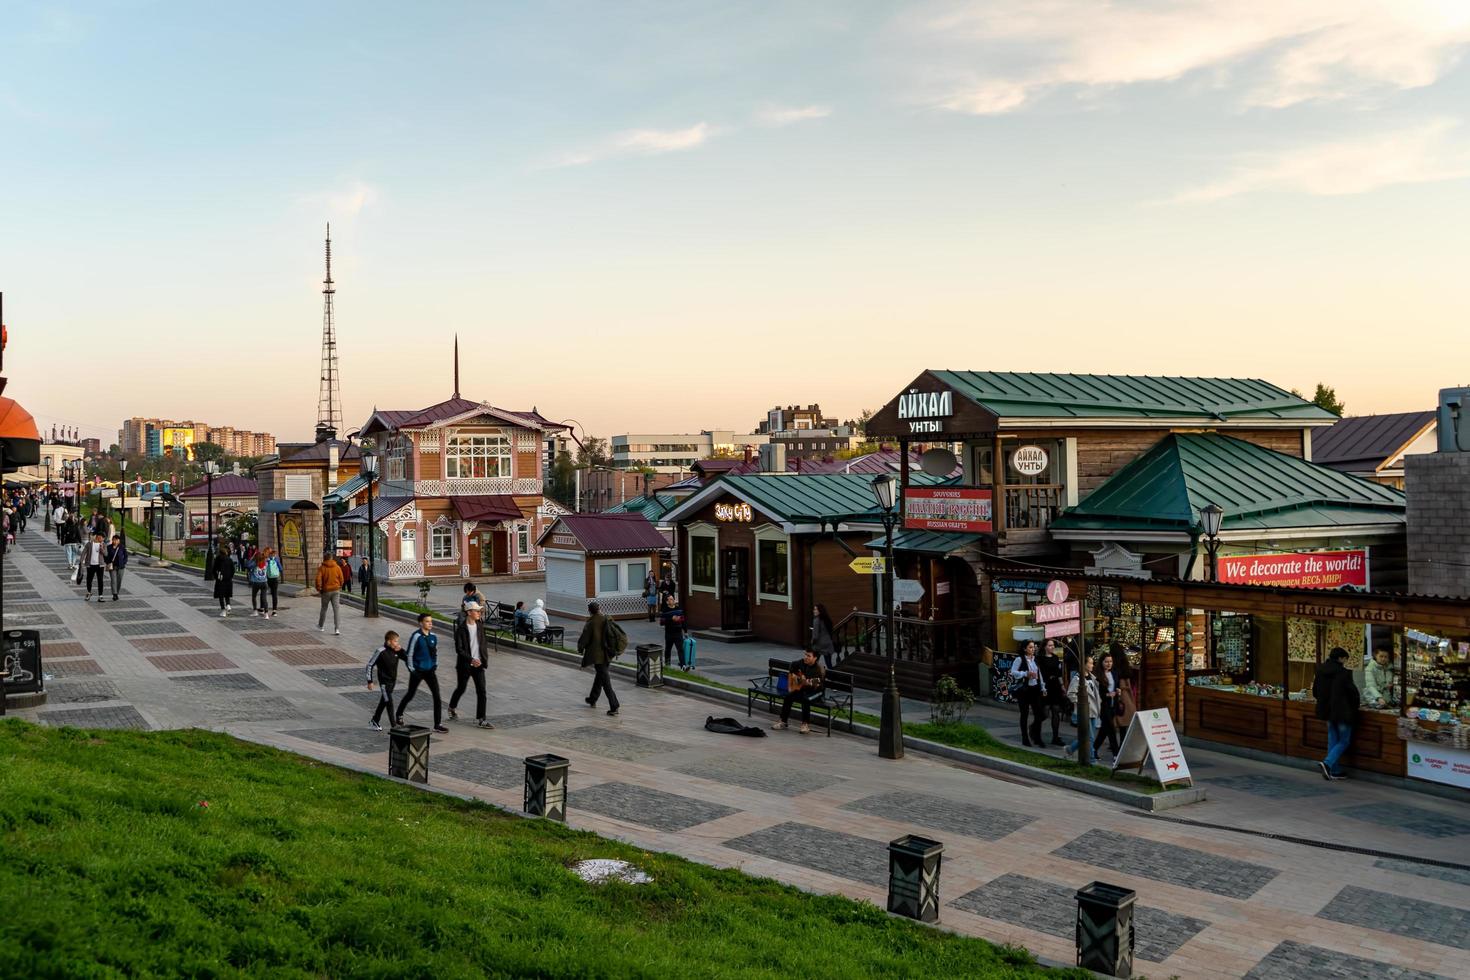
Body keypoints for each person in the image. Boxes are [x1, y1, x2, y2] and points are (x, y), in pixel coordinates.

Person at [1314, 647, 1360, 780]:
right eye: (1345, 659)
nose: (1346, 662)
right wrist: (1354, 707)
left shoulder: (1320, 670)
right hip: (1342, 712)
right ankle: (1328, 764)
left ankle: (1334, 770)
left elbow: (1316, 691)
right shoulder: (1343, 673)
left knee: (1332, 739)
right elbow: (1352, 693)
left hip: (1327, 712)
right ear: (1340, 658)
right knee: (1344, 740)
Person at [396, 613, 447, 733]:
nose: (430, 623)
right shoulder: (416, 636)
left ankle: (437, 724)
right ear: (421, 623)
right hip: (417, 671)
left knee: (437, 696)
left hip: (430, 671)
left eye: (431, 621)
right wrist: (412, 670)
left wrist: (435, 665)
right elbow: (409, 655)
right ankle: (399, 713)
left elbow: (435, 653)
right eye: (427, 621)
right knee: (411, 694)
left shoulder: (433, 636)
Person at [449, 601, 494, 729]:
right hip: (465, 665)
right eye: (476, 611)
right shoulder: (461, 629)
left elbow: (483, 643)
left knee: (482, 691)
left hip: (479, 664)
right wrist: (471, 659)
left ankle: (481, 719)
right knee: (461, 688)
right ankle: (452, 707)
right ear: (469, 612)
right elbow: (459, 649)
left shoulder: (480, 625)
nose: (479, 613)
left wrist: (483, 659)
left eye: (479, 611)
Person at [577, 601, 620, 716]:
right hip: (608, 654)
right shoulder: (606, 618)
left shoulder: (591, 622)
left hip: (598, 656)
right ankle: (592, 698)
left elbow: (584, 639)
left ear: (589, 611)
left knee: (606, 682)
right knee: (600, 677)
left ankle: (614, 706)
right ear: (599, 608)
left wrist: (580, 648)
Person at [772, 648, 825, 734]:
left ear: (815, 658)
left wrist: (806, 682)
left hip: (816, 692)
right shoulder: (800, 662)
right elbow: (791, 671)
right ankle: (783, 721)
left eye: (809, 656)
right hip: (802, 689)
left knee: (806, 699)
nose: (806, 657)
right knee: (788, 697)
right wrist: (790, 686)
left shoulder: (819, 669)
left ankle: (805, 725)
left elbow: (818, 684)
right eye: (805, 655)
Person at [365, 630, 405, 732]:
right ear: (388, 641)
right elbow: (370, 665)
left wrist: (401, 650)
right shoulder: (380, 651)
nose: (397, 643)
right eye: (395, 641)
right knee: (389, 702)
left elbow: (407, 658)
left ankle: (374, 721)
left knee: (384, 701)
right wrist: (370, 681)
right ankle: (393, 725)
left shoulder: (396, 650)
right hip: (384, 683)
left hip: (393, 682)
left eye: (397, 641)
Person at [1008, 640, 1045, 747]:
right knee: (1024, 714)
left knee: (1040, 714)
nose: (1033, 649)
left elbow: (1039, 673)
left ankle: (1036, 736)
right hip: (1024, 690)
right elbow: (1013, 672)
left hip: (1035, 689)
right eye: (1030, 647)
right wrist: (1025, 673)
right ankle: (1025, 738)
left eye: (1033, 647)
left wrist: (1043, 687)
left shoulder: (1035, 660)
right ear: (1024, 649)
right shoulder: (1019, 659)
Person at [1064, 653, 1100, 759]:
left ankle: (1070, 749)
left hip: (1093, 710)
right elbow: (1070, 693)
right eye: (1090, 663)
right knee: (1090, 737)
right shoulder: (1077, 679)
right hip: (1084, 711)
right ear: (1084, 665)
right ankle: (1091, 759)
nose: (1092, 665)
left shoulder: (1092, 678)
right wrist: (1080, 703)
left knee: (1086, 736)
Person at [1092, 649, 1122, 759]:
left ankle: (1093, 749)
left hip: (1113, 704)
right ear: (1101, 662)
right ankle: (1116, 755)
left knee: (1104, 730)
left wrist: (1118, 690)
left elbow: (1117, 685)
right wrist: (1109, 695)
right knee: (1111, 730)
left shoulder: (1114, 673)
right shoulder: (1097, 675)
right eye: (1106, 662)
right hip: (1103, 705)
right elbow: (1097, 693)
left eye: (1110, 662)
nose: (1109, 664)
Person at [1039, 638, 1069, 746]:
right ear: (1045, 647)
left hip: (1055, 686)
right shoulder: (1040, 659)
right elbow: (1040, 674)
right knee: (1045, 712)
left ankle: (1055, 737)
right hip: (1046, 686)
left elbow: (1059, 673)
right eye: (1050, 645)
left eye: (1053, 645)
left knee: (1056, 710)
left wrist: (1062, 686)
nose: (1052, 647)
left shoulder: (1056, 658)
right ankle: (1035, 729)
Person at [315, 553, 344, 635]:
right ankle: (337, 628)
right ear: (332, 558)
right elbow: (341, 578)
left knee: (324, 608)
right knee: (336, 610)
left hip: (326, 591)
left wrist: (319, 588)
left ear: (325, 558)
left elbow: (318, 579)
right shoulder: (337, 567)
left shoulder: (322, 568)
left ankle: (321, 626)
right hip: (336, 590)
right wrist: (340, 585)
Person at [1114, 647, 1139, 731]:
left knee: (1119, 718)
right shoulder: (1126, 665)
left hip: (1120, 694)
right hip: (1128, 695)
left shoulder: (1115, 668)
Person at [661, 594, 686, 668]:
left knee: (680, 649)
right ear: (667, 602)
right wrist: (671, 619)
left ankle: (683, 665)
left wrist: (686, 631)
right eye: (670, 599)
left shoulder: (678, 609)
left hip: (678, 632)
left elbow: (683, 620)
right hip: (669, 633)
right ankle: (667, 665)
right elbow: (662, 622)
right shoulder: (665, 610)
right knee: (668, 649)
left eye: (673, 599)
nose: (673, 600)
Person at [81, 532, 108, 601]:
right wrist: (81, 561)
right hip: (90, 565)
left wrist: (102, 548)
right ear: (96, 537)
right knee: (89, 580)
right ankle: (89, 593)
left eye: (102, 538)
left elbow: (105, 554)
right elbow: (83, 552)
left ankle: (100, 596)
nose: (100, 539)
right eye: (99, 537)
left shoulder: (104, 544)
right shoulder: (89, 544)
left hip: (100, 565)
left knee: (100, 580)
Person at [810, 603, 837, 669]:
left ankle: (814, 675)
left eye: (815, 609)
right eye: (814, 609)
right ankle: (832, 676)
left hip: (819, 645)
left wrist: (811, 643)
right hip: (827, 643)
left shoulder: (816, 620)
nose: (814, 611)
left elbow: (815, 636)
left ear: (820, 611)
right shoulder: (826, 619)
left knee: (813, 662)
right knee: (829, 663)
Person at [213, 543, 235, 616]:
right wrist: (230, 576)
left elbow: (214, 569)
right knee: (227, 593)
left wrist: (216, 576)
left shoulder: (218, 559)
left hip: (220, 579)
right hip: (228, 579)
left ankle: (223, 610)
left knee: (221, 595)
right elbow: (233, 570)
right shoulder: (229, 559)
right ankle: (228, 605)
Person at [105, 533, 128, 601]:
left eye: (116, 540)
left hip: (121, 567)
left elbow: (126, 556)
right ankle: (114, 594)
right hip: (112, 567)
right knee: (113, 580)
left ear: (119, 541)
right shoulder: (109, 547)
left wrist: (124, 562)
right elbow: (106, 556)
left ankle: (117, 592)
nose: (114, 541)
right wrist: (108, 562)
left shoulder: (122, 547)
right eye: (113, 540)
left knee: (119, 580)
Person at [264, 547, 281, 618]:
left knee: (264, 594)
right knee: (274, 595)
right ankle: (274, 611)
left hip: (268, 579)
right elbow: (281, 568)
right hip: (275, 579)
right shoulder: (276, 560)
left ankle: (263, 609)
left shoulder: (267, 560)